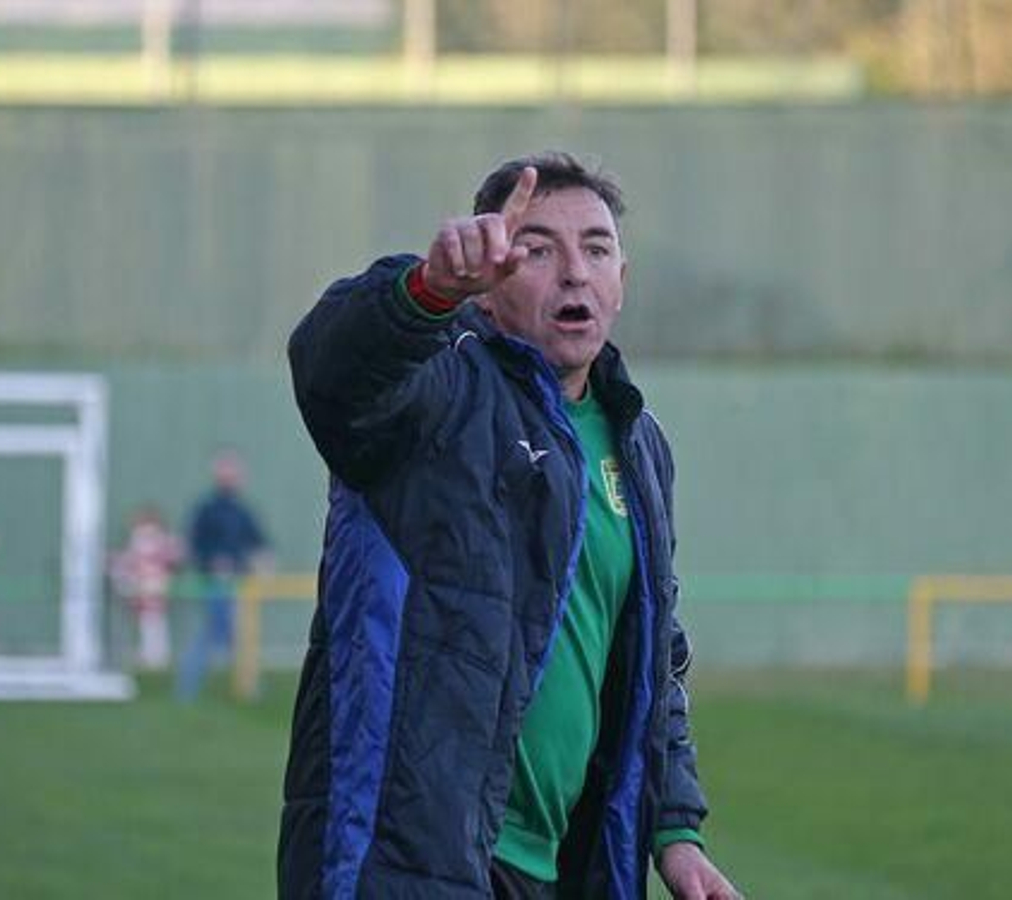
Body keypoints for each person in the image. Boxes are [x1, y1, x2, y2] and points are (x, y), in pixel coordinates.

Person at [280, 152, 740, 899]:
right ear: (490, 283)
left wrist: (676, 833)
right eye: (538, 250)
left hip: (559, 869)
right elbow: (333, 373)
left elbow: (653, 662)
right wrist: (425, 291)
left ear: (622, 280)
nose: (575, 273)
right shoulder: (437, 389)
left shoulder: (639, 443)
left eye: (596, 249)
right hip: (411, 859)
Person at [176, 451, 271, 700]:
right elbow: (191, 546)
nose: (232, 477)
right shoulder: (206, 509)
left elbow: (259, 543)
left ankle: (246, 685)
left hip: (238, 583)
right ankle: (188, 687)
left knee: (229, 634)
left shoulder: (241, 510)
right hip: (213, 583)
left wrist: (262, 564)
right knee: (215, 632)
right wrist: (212, 564)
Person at [109, 504, 183, 671]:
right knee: (151, 621)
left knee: (152, 621)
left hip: (150, 584)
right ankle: (154, 654)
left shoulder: (149, 539)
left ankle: (155, 655)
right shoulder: (156, 539)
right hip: (151, 584)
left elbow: (170, 557)